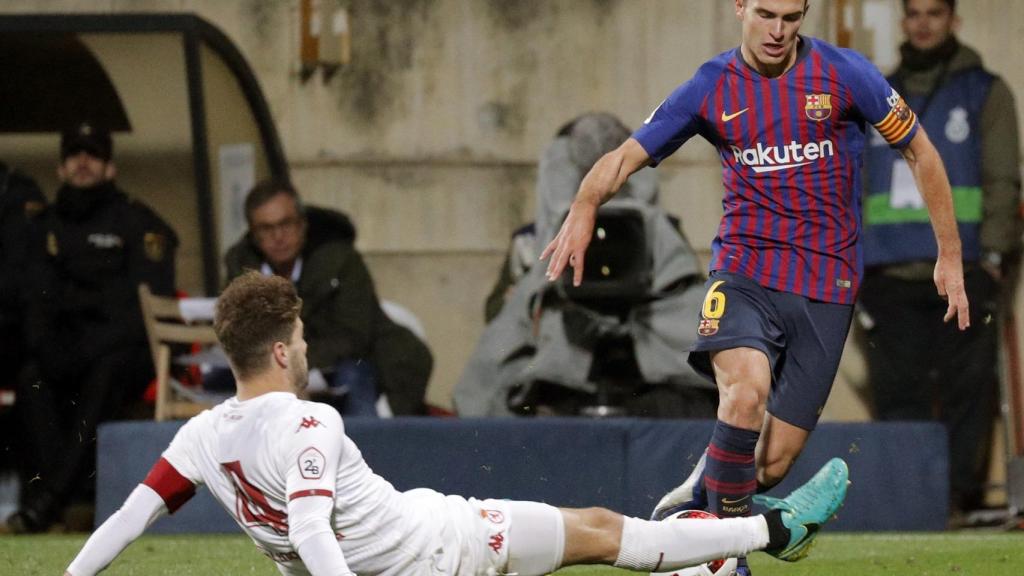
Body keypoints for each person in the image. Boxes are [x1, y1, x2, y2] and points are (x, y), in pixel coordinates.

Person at [542, 1, 969, 574]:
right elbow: (624, 157)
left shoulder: (846, 76)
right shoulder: (711, 85)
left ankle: (699, 504)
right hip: (746, 273)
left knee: (767, 467)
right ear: (739, 6)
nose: (778, 30)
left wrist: (950, 254)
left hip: (827, 285)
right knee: (745, 393)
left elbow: (920, 150)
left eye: (791, 17)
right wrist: (585, 203)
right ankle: (731, 561)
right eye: (765, 13)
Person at [63, 272, 849, 576]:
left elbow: (129, 519)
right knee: (613, 536)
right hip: (447, 547)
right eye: (300, 338)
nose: (306, 348)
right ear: (279, 347)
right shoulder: (307, 423)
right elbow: (309, 530)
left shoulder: (201, 435)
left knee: (607, 535)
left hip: (419, 541)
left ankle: (729, 548)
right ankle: (769, 534)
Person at [859, 0, 1021, 518]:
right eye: (914, 13)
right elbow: (853, 182)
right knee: (896, 393)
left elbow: (1002, 180)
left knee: (966, 395)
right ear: (904, 22)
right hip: (886, 274)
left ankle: (956, 500)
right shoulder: (875, 93)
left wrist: (992, 256)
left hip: (966, 271)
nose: (923, 23)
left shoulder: (985, 91)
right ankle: (906, 503)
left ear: (954, 20)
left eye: (935, 12)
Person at [456, 112, 714, 418]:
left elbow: (685, 303)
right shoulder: (531, 242)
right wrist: (534, 293)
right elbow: (499, 315)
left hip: (646, 368)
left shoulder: (658, 233)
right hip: (558, 366)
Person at [5, 122, 178, 533]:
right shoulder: (42, 228)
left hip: (117, 354)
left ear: (110, 168)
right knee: (31, 377)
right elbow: (32, 300)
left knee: (104, 376)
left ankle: (49, 503)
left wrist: (85, 350)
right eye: (74, 154)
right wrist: (49, 349)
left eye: (93, 154)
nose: (83, 162)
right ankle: (66, 501)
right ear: (61, 169)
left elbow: (141, 309)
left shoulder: (137, 223)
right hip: (61, 352)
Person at [224, 179, 433, 416]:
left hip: (346, 363)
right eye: (266, 229)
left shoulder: (339, 260)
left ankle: (364, 448)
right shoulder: (242, 270)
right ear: (253, 235)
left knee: (353, 376)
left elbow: (354, 335)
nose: (278, 236)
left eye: (286, 224)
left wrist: (295, 358)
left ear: (302, 225)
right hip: (273, 370)